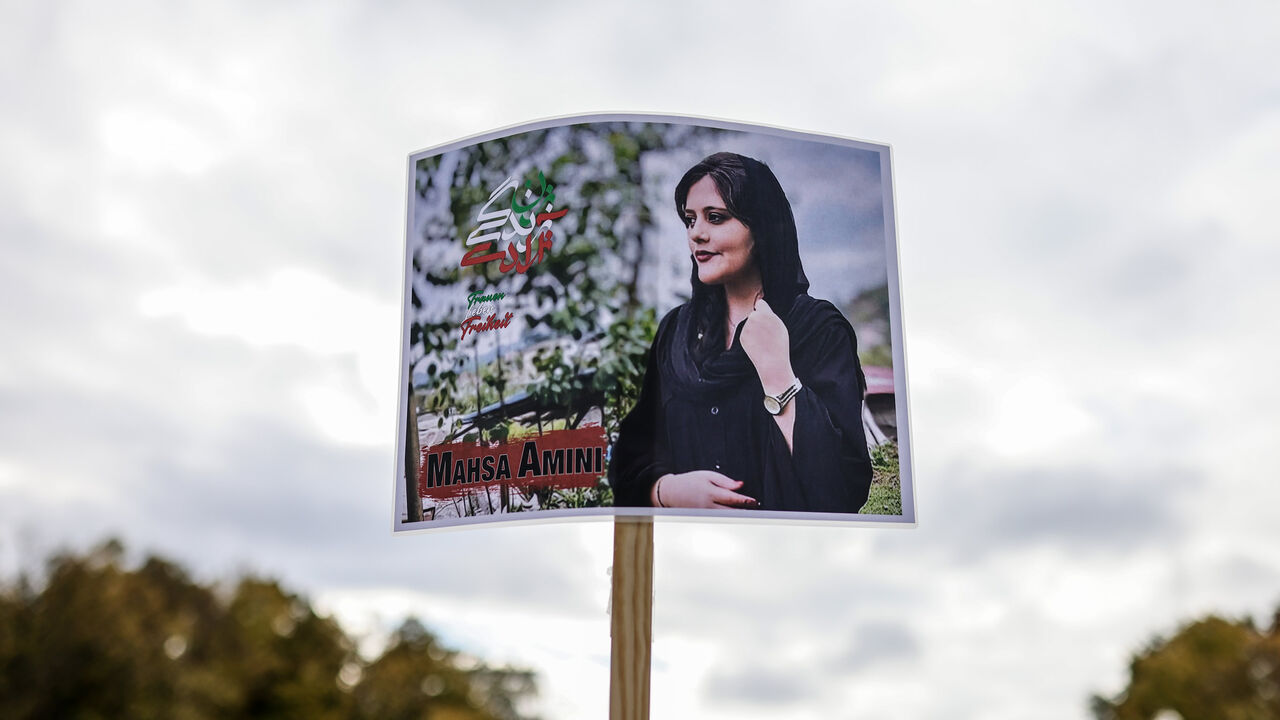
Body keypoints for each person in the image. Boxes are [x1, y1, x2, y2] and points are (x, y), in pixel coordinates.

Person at [609, 152, 874, 513]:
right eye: (690, 220)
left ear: (762, 227)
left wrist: (779, 376)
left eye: (715, 218)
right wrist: (666, 490)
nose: (696, 234)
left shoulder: (818, 330)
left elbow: (843, 487)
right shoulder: (677, 333)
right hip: (686, 552)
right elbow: (631, 455)